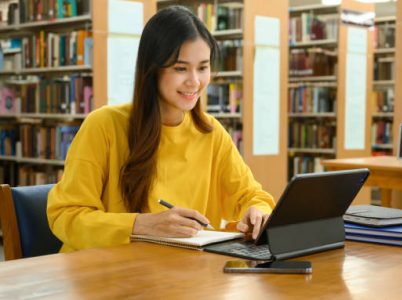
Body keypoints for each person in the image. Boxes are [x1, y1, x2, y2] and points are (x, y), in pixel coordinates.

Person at [46, 5, 275, 253]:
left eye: (203, 67)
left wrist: (258, 212)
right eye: (180, 68)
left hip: (177, 275)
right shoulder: (103, 125)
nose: (194, 81)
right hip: (99, 276)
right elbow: (66, 216)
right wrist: (140, 225)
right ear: (152, 69)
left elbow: (253, 196)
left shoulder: (211, 132)